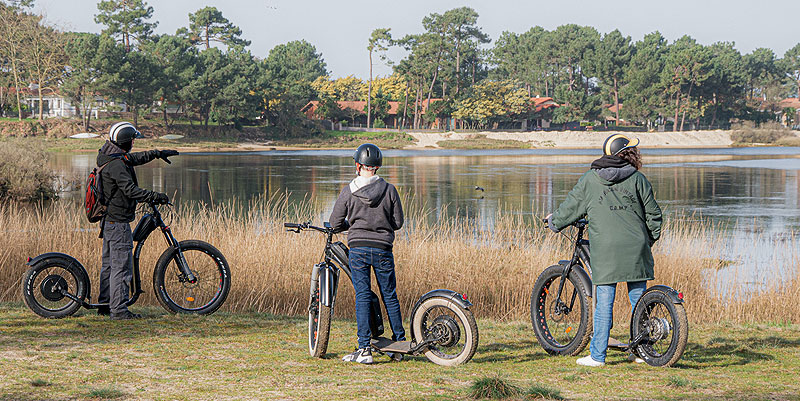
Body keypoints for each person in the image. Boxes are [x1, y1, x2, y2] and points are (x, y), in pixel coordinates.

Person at [546, 134, 662, 367]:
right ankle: (640, 352)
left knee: (604, 303)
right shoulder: (638, 179)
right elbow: (654, 216)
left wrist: (554, 222)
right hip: (635, 247)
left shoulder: (590, 179)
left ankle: (598, 356)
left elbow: (571, 206)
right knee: (639, 302)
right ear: (628, 154)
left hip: (606, 250)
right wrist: (646, 241)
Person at [329, 143, 405, 364]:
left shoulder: (349, 191)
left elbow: (334, 223)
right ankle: (399, 345)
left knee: (363, 295)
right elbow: (398, 223)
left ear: (357, 165)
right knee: (389, 295)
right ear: (377, 167)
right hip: (383, 249)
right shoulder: (389, 190)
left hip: (358, 249)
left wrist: (351, 224)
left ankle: (364, 350)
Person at [96, 122, 178, 320]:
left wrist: (157, 153)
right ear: (126, 141)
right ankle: (119, 311)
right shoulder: (116, 165)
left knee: (109, 265)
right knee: (121, 266)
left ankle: (105, 305)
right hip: (118, 222)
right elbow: (130, 190)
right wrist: (154, 196)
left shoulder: (112, 156)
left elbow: (134, 158)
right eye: (132, 139)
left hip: (110, 221)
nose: (134, 142)